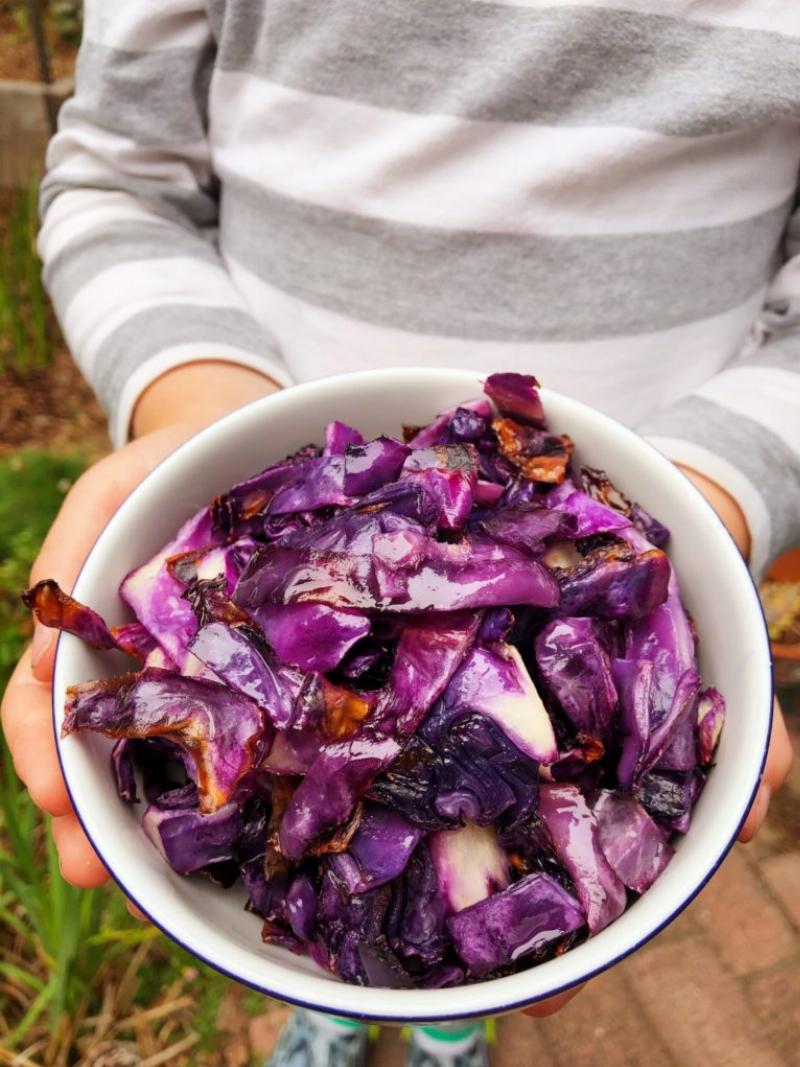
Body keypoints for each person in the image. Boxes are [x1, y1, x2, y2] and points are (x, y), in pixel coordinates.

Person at [2, 2, 796, 1065]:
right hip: (297, 462)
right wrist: (201, 414)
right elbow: (114, 174)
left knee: (439, 915)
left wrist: (714, 490)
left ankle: (440, 1004)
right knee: (360, 912)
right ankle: (345, 994)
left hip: (636, 501)